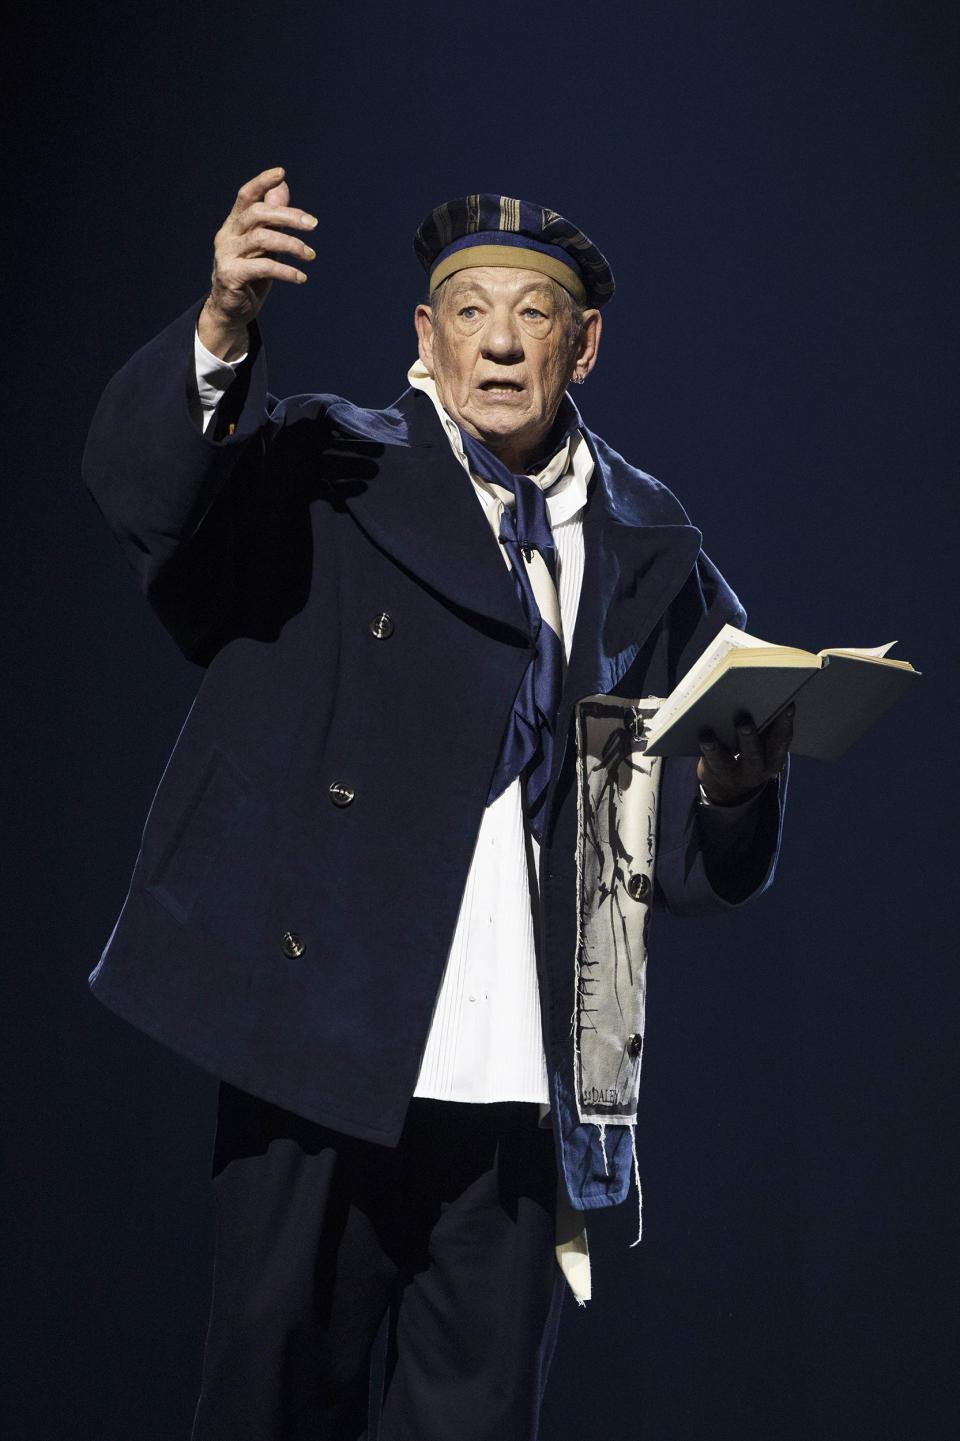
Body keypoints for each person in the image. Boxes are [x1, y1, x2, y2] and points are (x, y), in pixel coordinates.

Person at [83, 167, 793, 1441]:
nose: (503, 343)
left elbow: (682, 842)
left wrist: (738, 785)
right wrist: (222, 326)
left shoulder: (648, 544)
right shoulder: (330, 464)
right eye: (470, 311)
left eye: (534, 314)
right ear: (427, 337)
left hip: (530, 1072)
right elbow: (159, 514)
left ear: (585, 345)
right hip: (324, 1034)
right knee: (269, 1399)